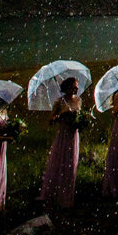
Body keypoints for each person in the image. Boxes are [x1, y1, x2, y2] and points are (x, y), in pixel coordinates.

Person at [39, 76, 82, 208]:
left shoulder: (79, 100)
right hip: (63, 134)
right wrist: (61, 115)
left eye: (77, 86)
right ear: (67, 88)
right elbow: (51, 120)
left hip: (73, 134)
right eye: (74, 86)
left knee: (70, 163)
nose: (76, 88)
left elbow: (79, 115)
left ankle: (67, 195)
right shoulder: (59, 102)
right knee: (60, 161)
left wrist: (80, 120)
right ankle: (55, 193)